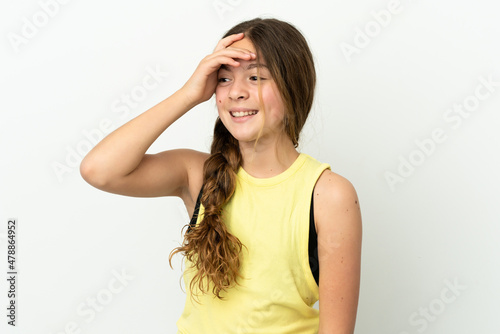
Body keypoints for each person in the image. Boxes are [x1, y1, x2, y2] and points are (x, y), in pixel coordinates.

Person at [80, 17, 362, 334]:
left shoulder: (328, 195)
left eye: (255, 77)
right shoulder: (198, 175)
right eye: (224, 79)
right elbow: (99, 170)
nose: (236, 92)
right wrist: (189, 93)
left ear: (292, 87)